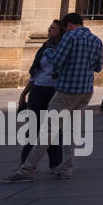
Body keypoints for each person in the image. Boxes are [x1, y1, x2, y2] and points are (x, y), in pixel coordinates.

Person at [4, 12, 103, 183]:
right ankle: (66, 168)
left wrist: (49, 52)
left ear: (68, 25)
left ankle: (27, 170)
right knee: (71, 131)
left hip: (66, 90)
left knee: (47, 130)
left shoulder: (70, 37)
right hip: (86, 91)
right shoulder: (96, 40)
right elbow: (98, 67)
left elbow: (57, 61)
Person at [17, 20, 65, 173]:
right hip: (38, 90)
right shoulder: (45, 47)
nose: (49, 30)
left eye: (53, 28)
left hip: (55, 91)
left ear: (61, 30)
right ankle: (25, 163)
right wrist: (24, 93)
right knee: (32, 127)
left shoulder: (65, 48)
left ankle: (56, 163)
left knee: (53, 129)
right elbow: (35, 72)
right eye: (49, 27)